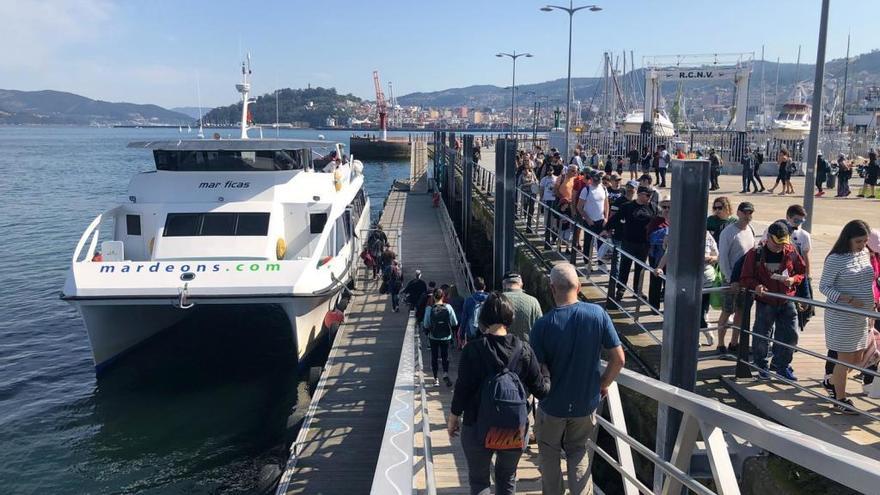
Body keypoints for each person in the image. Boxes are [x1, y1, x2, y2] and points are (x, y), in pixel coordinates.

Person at [530, 263, 625, 495]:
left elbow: (536, 370)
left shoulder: (542, 325)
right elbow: (619, 359)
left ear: (552, 288)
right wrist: (603, 384)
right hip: (585, 403)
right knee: (578, 450)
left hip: (552, 404)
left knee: (549, 452)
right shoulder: (597, 315)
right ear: (579, 286)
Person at [448, 292, 549, 495]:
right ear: (510, 318)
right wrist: (547, 374)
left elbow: (462, 389)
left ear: (483, 319)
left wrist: (453, 417)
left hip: (476, 426)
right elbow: (541, 391)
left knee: (479, 482)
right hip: (513, 427)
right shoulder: (524, 350)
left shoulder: (473, 349)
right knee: (507, 479)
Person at [819, 220, 874, 413]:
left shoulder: (865, 253)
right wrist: (846, 298)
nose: (862, 245)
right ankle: (840, 399)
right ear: (848, 239)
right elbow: (824, 286)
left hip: (862, 315)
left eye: (865, 241)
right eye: (858, 241)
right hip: (841, 316)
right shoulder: (835, 258)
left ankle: (831, 381)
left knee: (857, 359)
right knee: (843, 360)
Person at [740, 221, 807, 380]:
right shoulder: (754, 254)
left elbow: (802, 272)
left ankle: (781, 366)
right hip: (766, 301)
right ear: (768, 238)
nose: (780, 247)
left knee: (791, 335)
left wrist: (793, 279)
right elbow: (745, 278)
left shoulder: (791, 251)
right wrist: (757, 286)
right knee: (762, 335)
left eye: (783, 243)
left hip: (787, 300)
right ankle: (762, 366)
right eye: (777, 243)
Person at [603, 186, 658, 300]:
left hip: (644, 244)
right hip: (629, 242)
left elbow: (658, 220)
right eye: (647, 195)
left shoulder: (652, 207)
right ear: (639, 194)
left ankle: (638, 291)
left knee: (640, 268)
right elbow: (615, 218)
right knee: (625, 266)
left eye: (651, 195)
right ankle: (621, 290)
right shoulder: (627, 207)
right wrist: (606, 229)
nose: (650, 197)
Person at [716, 202, 757, 354]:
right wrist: (729, 279)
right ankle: (720, 343)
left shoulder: (750, 230)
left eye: (750, 213)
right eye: (745, 212)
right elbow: (723, 258)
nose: (748, 216)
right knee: (727, 311)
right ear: (738, 213)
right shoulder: (728, 232)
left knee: (741, 312)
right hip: (731, 280)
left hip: (746, 280)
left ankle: (734, 342)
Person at [423, 288, 458, 386]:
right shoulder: (448, 307)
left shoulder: (429, 309)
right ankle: (445, 373)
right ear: (443, 296)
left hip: (433, 336)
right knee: (445, 356)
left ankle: (435, 379)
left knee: (434, 357)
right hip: (446, 336)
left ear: (433, 297)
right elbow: (455, 322)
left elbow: (426, 324)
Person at [577, 169, 609, 269]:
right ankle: (587, 262)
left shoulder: (603, 188)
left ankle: (601, 262)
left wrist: (606, 217)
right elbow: (579, 207)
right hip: (589, 221)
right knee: (588, 241)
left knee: (602, 242)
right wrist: (587, 219)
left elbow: (606, 204)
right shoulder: (586, 190)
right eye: (596, 178)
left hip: (601, 220)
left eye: (599, 178)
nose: (598, 180)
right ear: (591, 178)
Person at [501, 272, 543, 343]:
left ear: (503, 285)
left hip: (501, 350)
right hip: (526, 350)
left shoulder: (496, 300)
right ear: (521, 285)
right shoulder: (533, 301)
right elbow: (541, 329)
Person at [646, 195, 671, 309]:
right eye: (664, 206)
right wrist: (666, 234)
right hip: (656, 258)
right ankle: (654, 306)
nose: (666, 209)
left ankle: (667, 310)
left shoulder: (674, 221)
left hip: (670, 260)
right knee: (655, 282)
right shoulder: (655, 221)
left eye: (669, 207)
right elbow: (653, 238)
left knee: (669, 286)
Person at [460, 277, 489, 343]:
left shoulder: (468, 300)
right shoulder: (490, 299)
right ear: (484, 287)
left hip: (471, 331)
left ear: (474, 287)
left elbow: (464, 318)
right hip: (487, 331)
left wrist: (462, 333)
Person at [540, 167, 560, 248]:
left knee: (554, 220)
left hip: (554, 200)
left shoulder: (556, 178)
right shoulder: (544, 179)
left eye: (551, 170)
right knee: (547, 218)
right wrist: (541, 199)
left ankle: (553, 237)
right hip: (547, 200)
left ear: (553, 171)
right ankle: (547, 232)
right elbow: (541, 189)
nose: (549, 172)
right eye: (548, 170)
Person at [520, 163, 539, 233]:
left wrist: (536, 182)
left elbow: (536, 181)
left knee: (532, 207)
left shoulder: (532, 174)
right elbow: (520, 185)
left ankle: (530, 220)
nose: (526, 171)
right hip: (525, 193)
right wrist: (528, 184)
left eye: (527, 169)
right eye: (525, 169)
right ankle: (525, 216)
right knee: (525, 205)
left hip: (532, 193)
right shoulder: (521, 176)